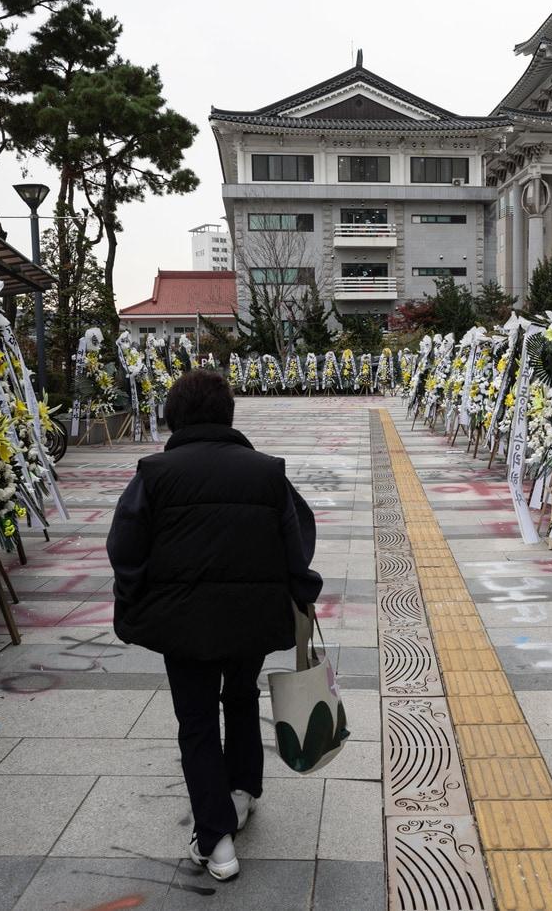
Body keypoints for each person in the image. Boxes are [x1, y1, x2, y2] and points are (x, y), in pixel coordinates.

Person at [107, 369, 323, 881]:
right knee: (242, 696)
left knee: (197, 720)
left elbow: (124, 547)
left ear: (174, 417)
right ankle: (242, 790)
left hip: (181, 623)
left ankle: (216, 840)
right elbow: (298, 542)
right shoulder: (267, 472)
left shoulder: (154, 474)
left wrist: (134, 600)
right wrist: (301, 593)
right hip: (251, 618)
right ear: (228, 414)